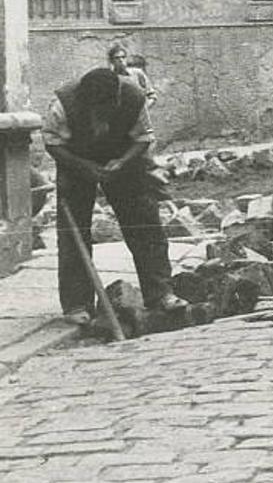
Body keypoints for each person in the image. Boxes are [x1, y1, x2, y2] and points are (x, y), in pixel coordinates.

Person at [43, 68, 187, 325]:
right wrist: (83, 167)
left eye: (111, 106)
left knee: (145, 223)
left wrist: (121, 162)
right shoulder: (64, 103)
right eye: (100, 110)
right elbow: (52, 143)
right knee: (73, 232)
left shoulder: (133, 95)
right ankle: (77, 304)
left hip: (124, 160)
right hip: (75, 162)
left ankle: (161, 293)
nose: (106, 113)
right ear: (88, 103)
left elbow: (143, 138)